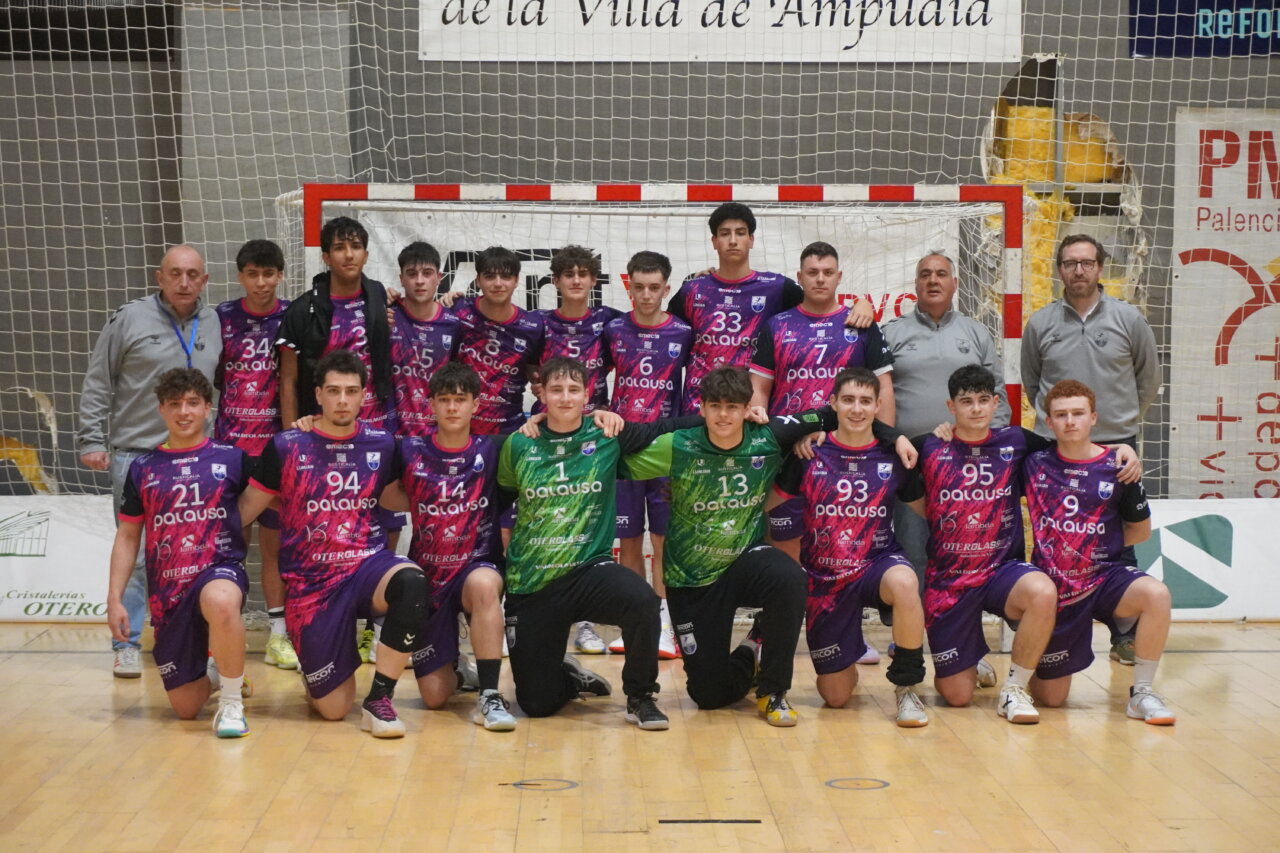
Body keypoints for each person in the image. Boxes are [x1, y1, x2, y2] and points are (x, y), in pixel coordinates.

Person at [622, 366, 911, 727]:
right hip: (691, 577)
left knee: (789, 577)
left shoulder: (769, 436)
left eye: (733, 407)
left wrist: (895, 436)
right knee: (708, 695)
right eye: (715, 406)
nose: (724, 416)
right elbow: (614, 459)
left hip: (744, 561)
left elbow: (840, 412)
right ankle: (751, 649)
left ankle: (773, 691)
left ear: (748, 408)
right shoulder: (678, 445)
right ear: (702, 408)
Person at [903, 365, 1140, 725]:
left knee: (1042, 590)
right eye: (966, 402)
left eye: (984, 400)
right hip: (949, 580)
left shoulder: (1016, 441)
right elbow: (903, 479)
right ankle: (970, 659)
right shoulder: (931, 445)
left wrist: (1120, 449)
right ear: (951, 407)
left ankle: (1014, 688)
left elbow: (1073, 446)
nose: (976, 409)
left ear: (996, 403)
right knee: (956, 696)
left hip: (1002, 571)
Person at [497, 356, 696, 731]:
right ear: (541, 394)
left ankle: (640, 696)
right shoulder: (519, 444)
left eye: (574, 389)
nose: (565, 397)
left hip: (588, 571)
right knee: (536, 704)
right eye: (556, 389)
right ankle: (570, 678)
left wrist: (737, 417)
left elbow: (667, 426)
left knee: (642, 601)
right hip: (533, 582)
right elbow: (501, 495)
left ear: (587, 395)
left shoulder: (606, 436)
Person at [238, 351, 428, 738]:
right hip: (312, 582)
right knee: (334, 708)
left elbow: (396, 495)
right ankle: (319, 670)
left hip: (366, 566)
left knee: (411, 582)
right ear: (318, 395)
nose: (343, 400)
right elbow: (246, 509)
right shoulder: (287, 445)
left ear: (363, 396)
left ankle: (380, 699)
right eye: (334, 391)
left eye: (351, 391)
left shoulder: (383, 444)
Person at [78, 244, 221, 678]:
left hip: (195, 458)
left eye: (192, 274)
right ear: (159, 277)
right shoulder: (129, 319)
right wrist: (91, 439)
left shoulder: (214, 321)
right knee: (137, 554)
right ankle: (126, 643)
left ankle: (196, 645)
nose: (184, 282)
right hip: (137, 454)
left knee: (195, 554)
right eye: (175, 273)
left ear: (204, 280)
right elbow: (99, 378)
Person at [1021, 234, 1160, 665]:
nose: (1078, 270)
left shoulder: (1129, 318)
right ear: (1059, 270)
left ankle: (1125, 635)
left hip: (1117, 446)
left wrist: (1119, 427)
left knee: (1120, 541)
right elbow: (1032, 382)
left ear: (1100, 267)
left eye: (1086, 262)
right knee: (1056, 537)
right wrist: (1064, 427)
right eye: (1069, 263)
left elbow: (1148, 379)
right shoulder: (1040, 323)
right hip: (1057, 447)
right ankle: (1048, 624)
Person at [769, 367, 928, 726]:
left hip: (877, 564)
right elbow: (768, 501)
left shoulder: (894, 456)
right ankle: (848, 650)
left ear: (877, 406)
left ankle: (906, 687)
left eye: (865, 401)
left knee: (905, 582)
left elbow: (928, 510)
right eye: (849, 400)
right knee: (836, 697)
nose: (857, 409)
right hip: (825, 579)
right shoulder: (809, 453)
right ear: (833, 404)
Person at [106, 368, 252, 737]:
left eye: (192, 403)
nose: (183, 412)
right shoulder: (143, 468)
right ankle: (220, 672)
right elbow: (128, 536)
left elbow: (272, 496)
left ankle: (232, 704)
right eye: (174, 404)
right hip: (169, 590)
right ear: (161, 410)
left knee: (221, 599)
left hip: (218, 571)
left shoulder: (232, 458)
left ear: (207, 408)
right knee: (186, 708)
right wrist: (114, 598)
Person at [1023, 380, 1174, 724]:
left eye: (1078, 413)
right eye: (1061, 415)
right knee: (1051, 699)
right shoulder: (1033, 462)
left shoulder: (1120, 466)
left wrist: (1092, 549)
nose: (1070, 421)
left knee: (1156, 595)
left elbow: (1140, 531)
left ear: (1093, 417)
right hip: (1055, 590)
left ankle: (1143, 693)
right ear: (1049, 421)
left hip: (1105, 579)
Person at [378, 362, 516, 731]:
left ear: (475, 404)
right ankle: (461, 670)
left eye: (460, 399)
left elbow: (545, 434)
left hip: (476, 566)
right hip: (430, 576)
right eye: (444, 399)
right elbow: (386, 496)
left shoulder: (494, 449)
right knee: (435, 697)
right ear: (432, 404)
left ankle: (490, 695)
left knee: (484, 585)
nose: (452, 407)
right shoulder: (409, 451)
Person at [750, 241, 895, 569]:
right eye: (812, 272)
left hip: (845, 453)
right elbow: (759, 388)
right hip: (788, 452)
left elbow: (883, 388)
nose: (820, 279)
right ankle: (789, 603)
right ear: (799, 276)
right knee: (784, 545)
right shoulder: (777, 325)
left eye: (828, 272)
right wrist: (762, 443)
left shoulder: (860, 324)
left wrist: (883, 444)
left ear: (839, 277)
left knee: (843, 541)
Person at [881, 252, 1011, 590]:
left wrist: (989, 453)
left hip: (966, 466)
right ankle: (909, 621)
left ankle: (957, 616)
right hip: (911, 464)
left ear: (955, 283)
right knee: (912, 551)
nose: (933, 280)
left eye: (941, 274)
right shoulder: (892, 333)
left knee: (963, 551)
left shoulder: (976, 333)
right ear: (915, 284)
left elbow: (997, 394)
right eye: (925, 274)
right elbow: (874, 396)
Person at [667, 202, 872, 414]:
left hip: (750, 405)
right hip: (699, 405)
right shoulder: (692, 289)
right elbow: (666, 331)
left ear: (751, 240)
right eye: (725, 233)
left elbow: (820, 303)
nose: (733, 240)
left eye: (740, 233)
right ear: (714, 241)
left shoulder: (776, 288)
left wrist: (861, 304)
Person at [602, 250, 693, 658]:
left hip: (666, 449)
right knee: (628, 540)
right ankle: (634, 624)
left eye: (654, 287)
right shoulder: (614, 329)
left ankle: (667, 627)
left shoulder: (683, 332)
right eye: (638, 287)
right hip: (622, 448)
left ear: (666, 288)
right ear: (629, 286)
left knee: (664, 540)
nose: (646, 295)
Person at [532, 245, 622, 654]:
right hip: (547, 435)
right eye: (568, 274)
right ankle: (535, 614)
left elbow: (656, 320)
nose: (576, 280)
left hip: (592, 438)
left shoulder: (610, 322)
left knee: (583, 526)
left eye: (583, 273)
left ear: (593, 280)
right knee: (544, 525)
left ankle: (585, 622)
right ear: (554, 280)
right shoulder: (539, 324)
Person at [214, 239, 296, 670]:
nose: (261, 282)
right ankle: (224, 637)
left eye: (268, 274)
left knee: (275, 548)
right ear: (240, 276)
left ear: (280, 275)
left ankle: (278, 636)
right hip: (228, 452)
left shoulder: (292, 316)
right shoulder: (221, 317)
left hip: (273, 452)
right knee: (230, 549)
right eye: (252, 274)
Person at [276, 215, 395, 431]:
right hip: (323, 430)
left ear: (366, 255)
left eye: (356, 246)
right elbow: (288, 381)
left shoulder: (378, 294)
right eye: (339, 248)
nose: (349, 255)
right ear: (326, 257)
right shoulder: (302, 309)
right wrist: (290, 437)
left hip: (375, 427)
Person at [452, 246, 546, 435]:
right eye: (489, 276)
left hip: (509, 430)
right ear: (478, 280)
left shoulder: (533, 326)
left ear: (516, 280)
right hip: (460, 429)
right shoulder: (458, 310)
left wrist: (542, 384)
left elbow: (533, 372)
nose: (498, 283)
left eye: (505, 276)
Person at [388, 240, 460, 437]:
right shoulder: (387, 315)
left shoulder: (453, 323)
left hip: (435, 435)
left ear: (439, 278)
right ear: (401, 279)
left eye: (427, 273)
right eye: (412, 274)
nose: (419, 281)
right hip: (389, 434)